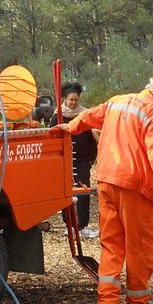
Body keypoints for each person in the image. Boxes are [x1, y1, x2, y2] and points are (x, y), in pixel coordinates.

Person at [58, 75, 153, 304]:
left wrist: (70, 127)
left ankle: (109, 302)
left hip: (107, 180)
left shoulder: (117, 102)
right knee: (138, 245)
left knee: (112, 243)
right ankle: (138, 303)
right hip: (135, 187)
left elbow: (88, 116)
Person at [59, 83, 101, 239]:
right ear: (65, 99)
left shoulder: (85, 114)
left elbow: (93, 139)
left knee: (83, 191)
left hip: (83, 160)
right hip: (64, 161)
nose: (73, 103)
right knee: (66, 193)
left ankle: (82, 225)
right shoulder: (58, 115)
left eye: (76, 100)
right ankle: (68, 225)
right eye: (71, 100)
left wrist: (90, 159)